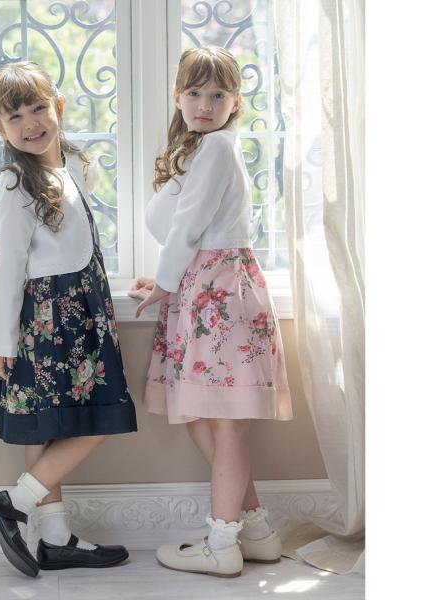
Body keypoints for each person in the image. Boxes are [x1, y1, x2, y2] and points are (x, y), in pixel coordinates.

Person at [129, 46, 293, 578]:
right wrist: (169, 281)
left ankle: (222, 543)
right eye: (195, 93)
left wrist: (166, 282)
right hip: (206, 287)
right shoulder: (203, 149)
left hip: (219, 293)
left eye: (218, 95)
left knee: (224, 423)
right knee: (210, 417)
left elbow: (190, 225)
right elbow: (193, 229)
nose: (204, 104)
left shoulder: (218, 147)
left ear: (235, 102)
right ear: (177, 97)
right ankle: (257, 531)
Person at [0, 61, 137, 577]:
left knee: (51, 427)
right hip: (47, 319)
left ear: (59, 107)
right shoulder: (15, 183)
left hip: (84, 311)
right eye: (14, 116)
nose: (30, 123)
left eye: (38, 108)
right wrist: (0, 340)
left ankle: (54, 538)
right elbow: (9, 268)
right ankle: (14, 504)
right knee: (86, 419)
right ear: (0, 128)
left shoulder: (71, 164)